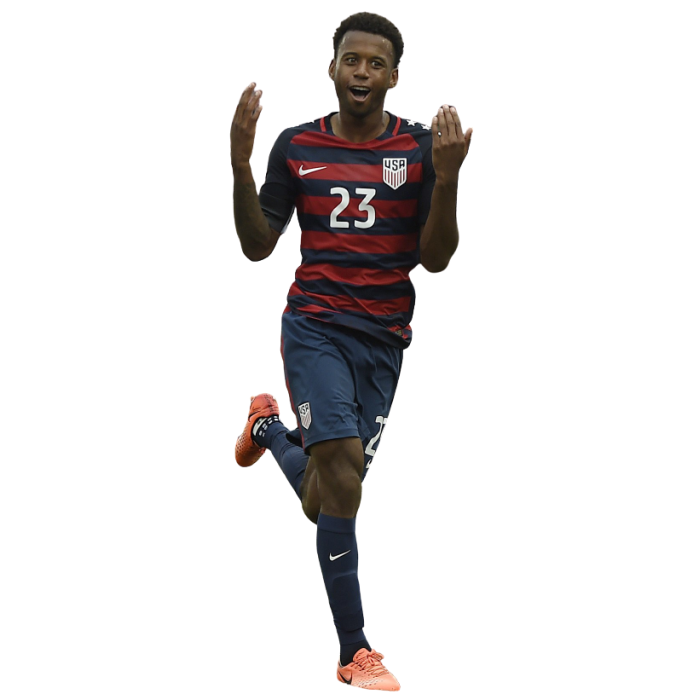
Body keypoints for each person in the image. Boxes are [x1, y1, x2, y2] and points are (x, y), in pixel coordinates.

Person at [231, 11, 473, 691]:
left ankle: (265, 428)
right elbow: (257, 244)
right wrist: (240, 164)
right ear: (332, 69)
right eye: (351, 60)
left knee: (326, 495)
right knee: (340, 474)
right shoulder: (295, 143)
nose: (361, 72)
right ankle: (353, 652)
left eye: (375, 63)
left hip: (384, 337)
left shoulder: (419, 146)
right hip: (314, 325)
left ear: (393, 77)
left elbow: (436, 260)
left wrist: (448, 181)